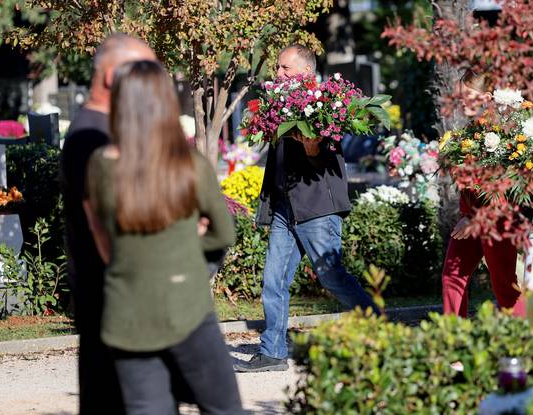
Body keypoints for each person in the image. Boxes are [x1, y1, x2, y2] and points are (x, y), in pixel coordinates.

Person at [83, 60, 244, 415]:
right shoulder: (190, 166)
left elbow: (104, 241)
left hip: (127, 313)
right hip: (184, 304)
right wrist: (185, 240)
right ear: (166, 103)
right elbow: (224, 231)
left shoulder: (100, 166)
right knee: (224, 408)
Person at [234, 45, 377, 373]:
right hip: (285, 206)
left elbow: (324, 155)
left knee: (332, 277)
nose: (278, 73)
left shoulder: (325, 104)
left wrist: (313, 147)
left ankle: (381, 327)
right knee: (273, 280)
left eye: (285, 68)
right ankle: (272, 352)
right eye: (278, 67)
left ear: (306, 73)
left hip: (317, 207)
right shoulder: (279, 104)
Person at [59, 33, 156, 414]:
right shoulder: (91, 134)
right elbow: (104, 228)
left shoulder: (102, 127)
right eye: (145, 71)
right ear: (114, 75)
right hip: (111, 299)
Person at [441, 71, 525, 318]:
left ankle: (528, 342)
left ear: (487, 97)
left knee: (504, 287)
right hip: (471, 220)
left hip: (495, 220)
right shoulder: (470, 131)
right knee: (452, 277)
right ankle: (454, 346)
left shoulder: (502, 132)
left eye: (468, 96)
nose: (461, 102)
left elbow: (504, 188)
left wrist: (475, 218)